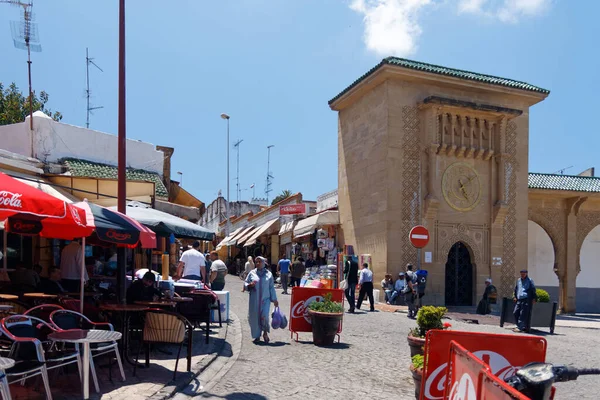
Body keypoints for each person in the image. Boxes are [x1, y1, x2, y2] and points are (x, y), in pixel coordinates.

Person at [244, 256, 278, 343]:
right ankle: (256, 336)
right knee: (254, 318)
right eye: (256, 262)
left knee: (265, 317)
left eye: (260, 262)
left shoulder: (269, 274)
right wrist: (249, 285)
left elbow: (271, 288)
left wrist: (274, 300)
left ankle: (265, 333)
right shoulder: (252, 273)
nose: (258, 263)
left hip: (265, 300)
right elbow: (245, 283)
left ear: (264, 263)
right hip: (254, 300)